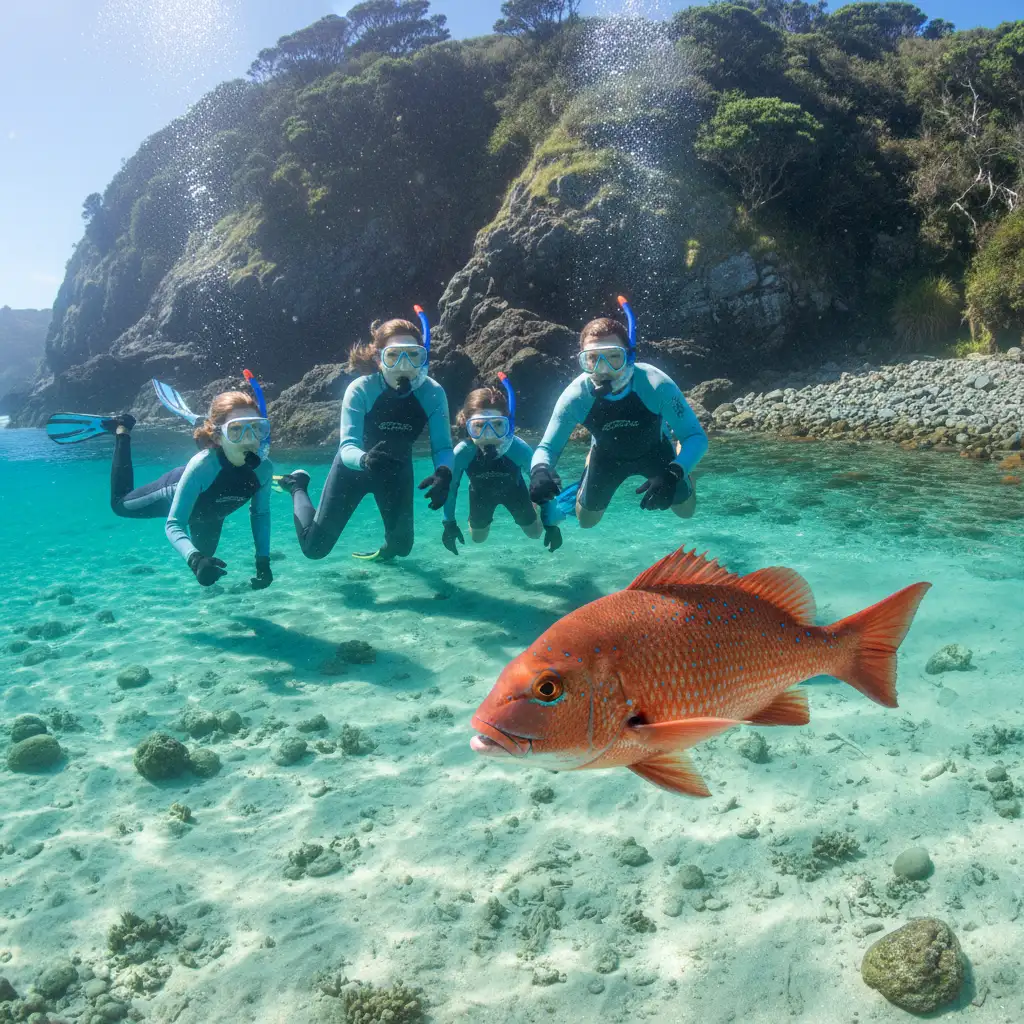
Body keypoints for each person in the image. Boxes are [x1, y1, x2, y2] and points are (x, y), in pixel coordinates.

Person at [45, 390, 274, 589]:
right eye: (236, 431)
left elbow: (261, 514)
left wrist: (263, 561)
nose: (249, 439)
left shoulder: (263, 470)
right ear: (217, 435)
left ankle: (207, 426)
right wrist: (194, 560)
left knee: (207, 556)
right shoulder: (202, 466)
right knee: (119, 504)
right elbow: (174, 524)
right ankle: (121, 430)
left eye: (256, 429)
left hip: (211, 514)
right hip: (176, 491)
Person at [275, 307, 453, 562]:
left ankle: (384, 552)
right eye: (394, 356)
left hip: (396, 470)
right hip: (353, 469)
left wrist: (443, 473)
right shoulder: (361, 389)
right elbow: (347, 446)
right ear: (379, 359)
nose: (404, 365)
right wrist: (364, 460)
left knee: (401, 548)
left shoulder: (433, 393)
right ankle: (297, 486)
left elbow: (443, 447)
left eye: (413, 356)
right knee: (314, 549)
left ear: (422, 359)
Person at [529, 296, 708, 529]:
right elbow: (547, 448)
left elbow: (696, 437)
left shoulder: (655, 385)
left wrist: (674, 473)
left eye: (614, 357)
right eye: (592, 359)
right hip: (607, 455)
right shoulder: (576, 396)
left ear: (629, 356)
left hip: (655, 450)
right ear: (582, 362)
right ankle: (589, 459)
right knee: (586, 521)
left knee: (686, 512)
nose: (603, 369)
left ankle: (680, 457)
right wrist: (539, 471)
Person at [441, 374, 563, 555]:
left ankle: (533, 506)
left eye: (498, 425)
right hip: (480, 495)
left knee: (536, 534)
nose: (488, 435)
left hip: (515, 492)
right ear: (466, 425)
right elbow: (450, 488)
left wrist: (551, 524)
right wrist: (449, 523)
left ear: (509, 425)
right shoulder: (462, 453)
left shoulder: (517, 449)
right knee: (478, 539)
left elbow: (542, 484)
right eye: (479, 426)